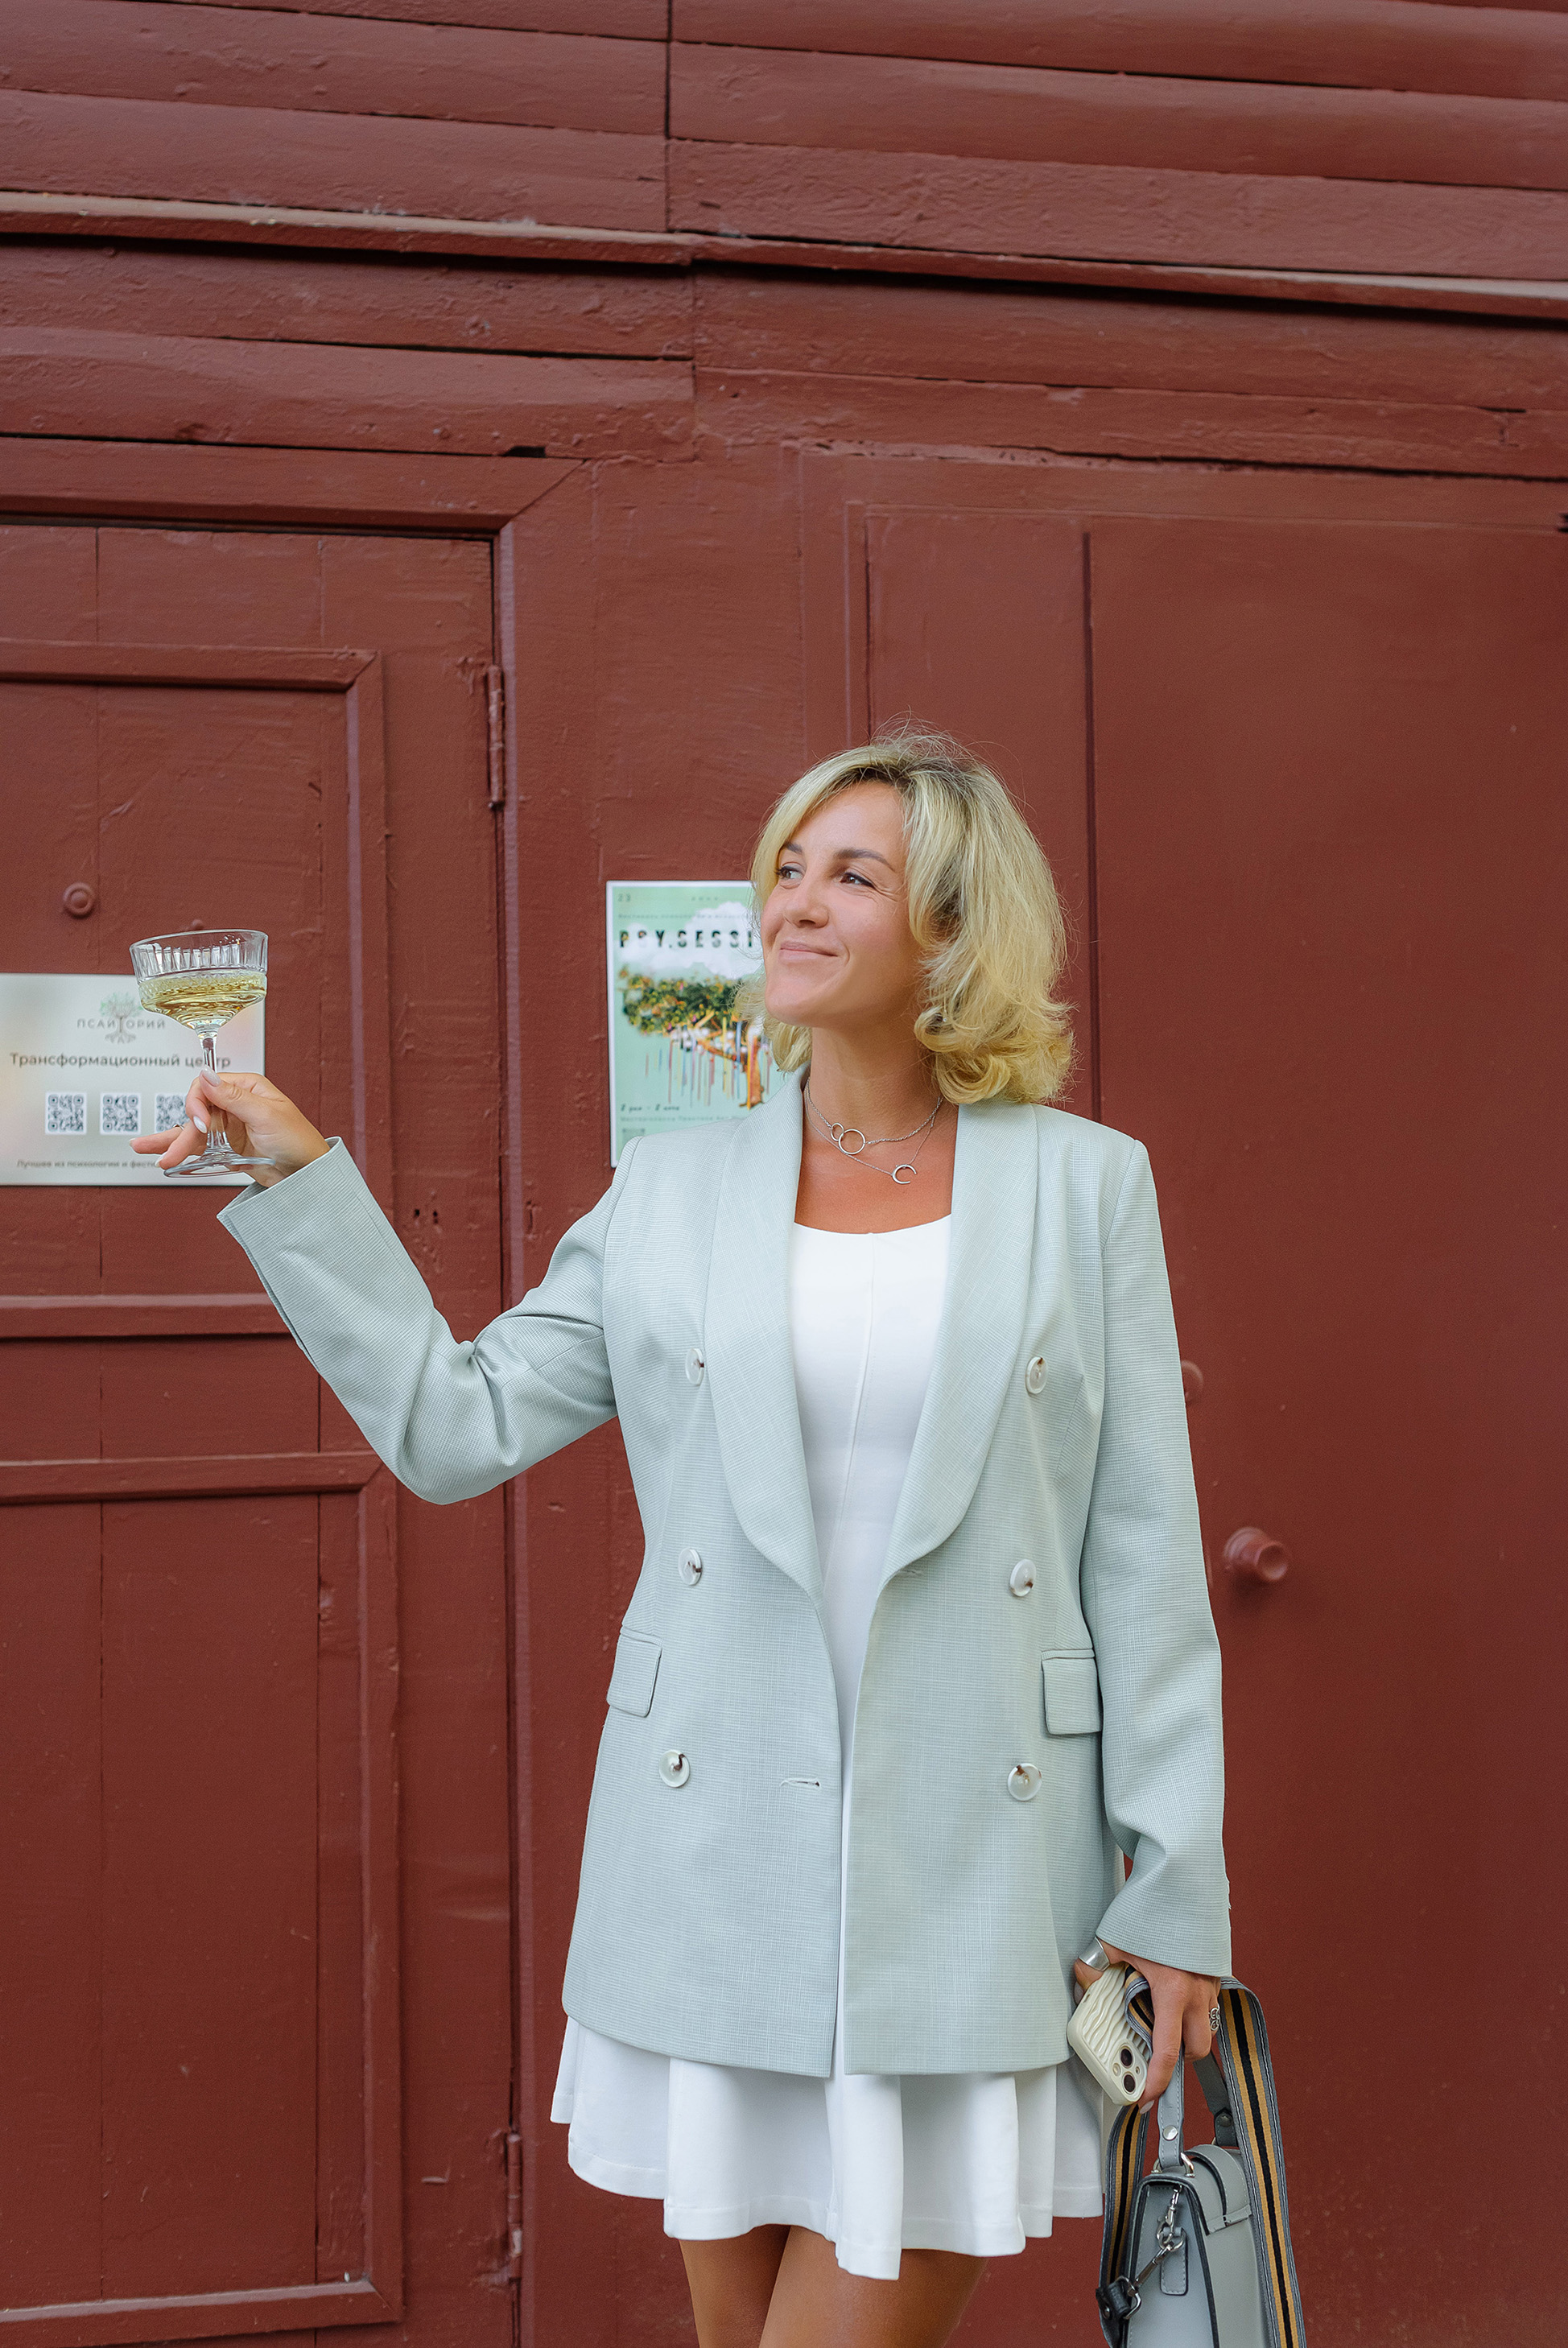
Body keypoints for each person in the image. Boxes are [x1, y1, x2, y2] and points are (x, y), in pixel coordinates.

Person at [136, 732, 1228, 2348]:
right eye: (785, 867)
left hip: (979, 1867)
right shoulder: (670, 1187)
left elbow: (1142, 1549)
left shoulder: (1083, 1189)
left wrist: (1174, 1882)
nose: (795, 902)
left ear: (951, 927)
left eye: (851, 875)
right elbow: (455, 1423)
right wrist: (300, 1180)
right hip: (720, 1854)